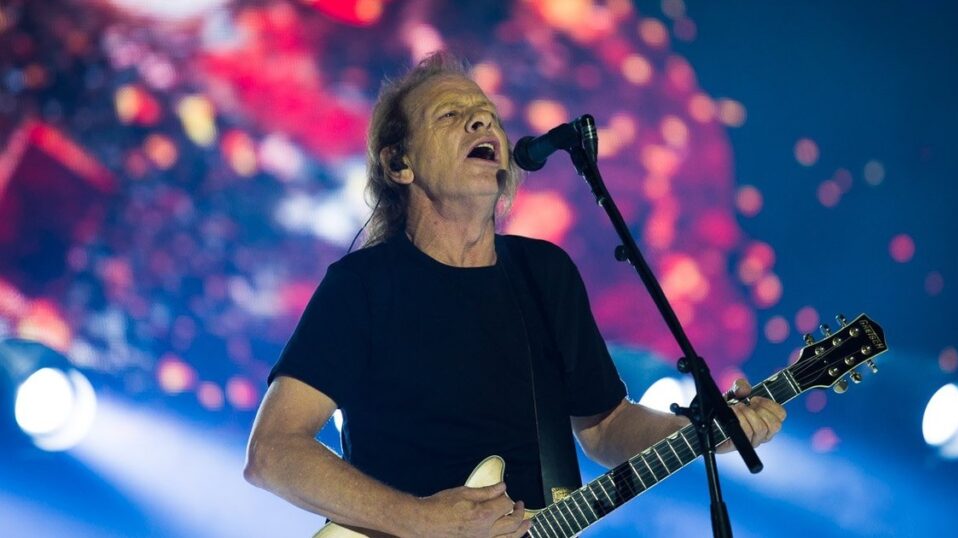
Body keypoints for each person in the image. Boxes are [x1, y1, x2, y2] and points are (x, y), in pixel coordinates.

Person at [243, 52, 786, 538]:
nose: (482, 122)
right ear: (398, 164)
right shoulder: (363, 285)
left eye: (488, 116)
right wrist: (422, 520)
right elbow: (272, 451)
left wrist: (706, 432)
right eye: (450, 115)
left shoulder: (543, 273)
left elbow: (605, 426)